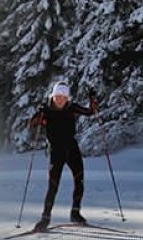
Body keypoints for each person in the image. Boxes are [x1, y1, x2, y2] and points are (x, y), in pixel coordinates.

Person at [29, 81, 97, 232]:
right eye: (58, 96)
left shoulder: (71, 107)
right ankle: (45, 219)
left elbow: (90, 112)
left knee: (80, 181)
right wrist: (39, 115)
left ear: (67, 98)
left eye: (63, 97)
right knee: (53, 186)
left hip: (72, 149)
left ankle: (75, 213)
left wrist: (92, 99)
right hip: (56, 152)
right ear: (53, 96)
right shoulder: (46, 110)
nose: (60, 99)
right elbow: (32, 125)